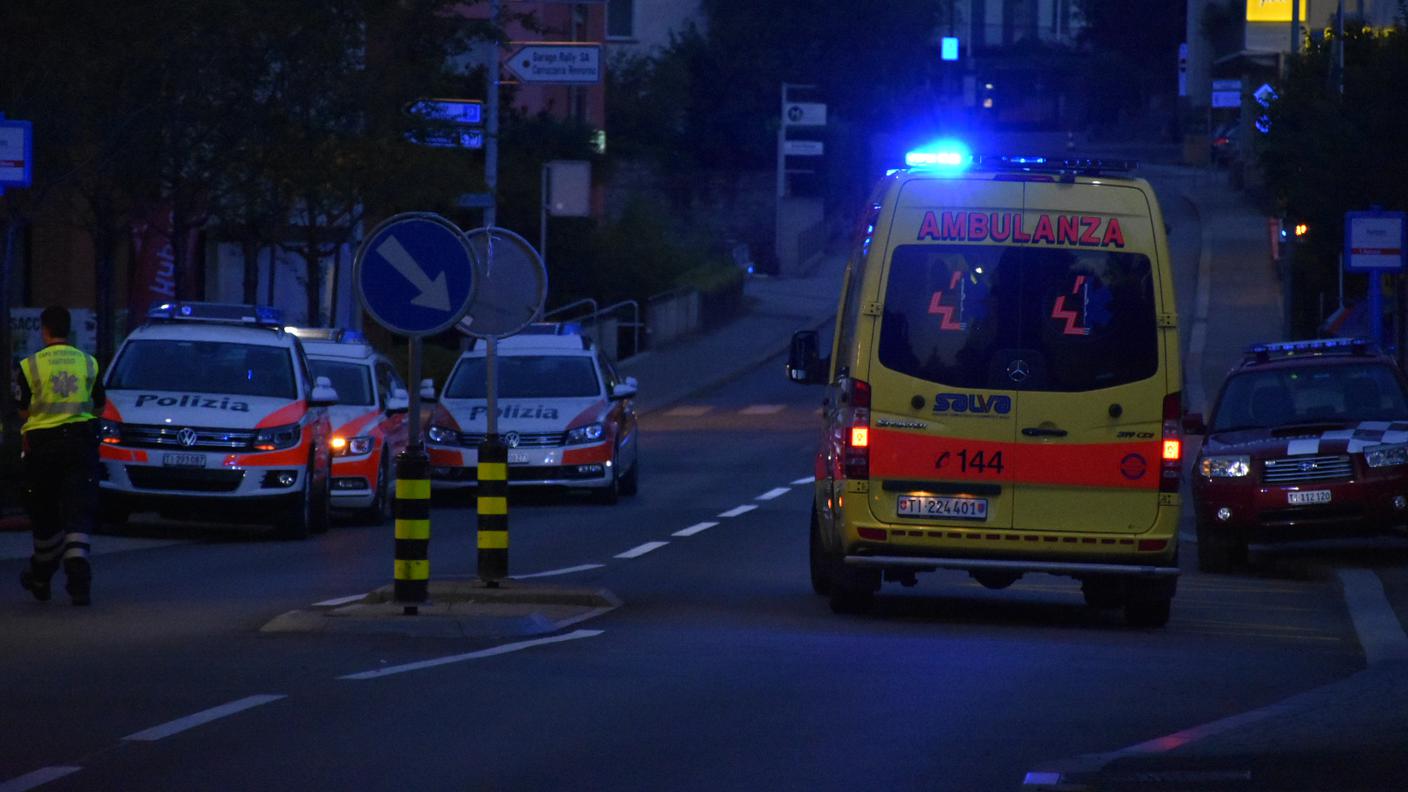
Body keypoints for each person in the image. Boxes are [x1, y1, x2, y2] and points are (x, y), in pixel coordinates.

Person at [13, 306, 104, 605]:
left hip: (43, 448)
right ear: (69, 331)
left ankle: (40, 574)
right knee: (78, 510)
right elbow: (98, 405)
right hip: (80, 444)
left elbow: (23, 409)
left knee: (45, 515)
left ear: (44, 330)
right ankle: (78, 577)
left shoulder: (30, 365)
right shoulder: (88, 363)